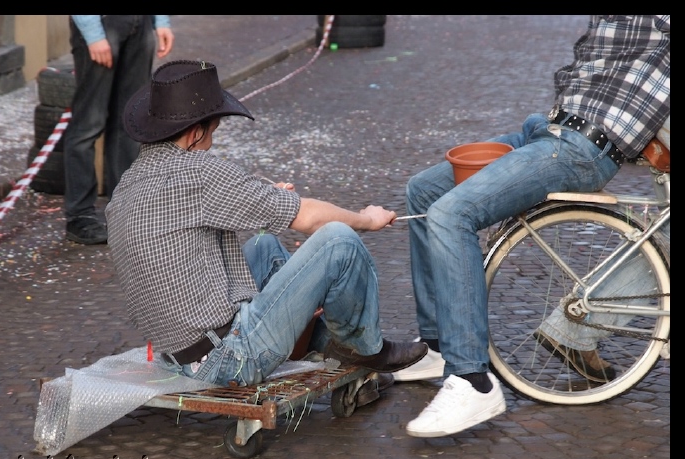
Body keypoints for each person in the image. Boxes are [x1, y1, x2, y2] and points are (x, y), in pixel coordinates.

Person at [394, 15, 669, 437]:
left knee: (452, 214)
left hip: (581, 149)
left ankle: (472, 380)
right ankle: (438, 344)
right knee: (425, 191)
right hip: (547, 127)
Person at [105, 60, 428, 389]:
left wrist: (265, 199)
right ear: (195, 131)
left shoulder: (127, 185)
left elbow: (190, 224)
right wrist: (367, 219)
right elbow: (309, 217)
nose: (211, 143)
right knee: (338, 240)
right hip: (227, 359)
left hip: (177, 353)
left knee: (266, 246)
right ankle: (365, 349)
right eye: (212, 132)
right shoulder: (198, 171)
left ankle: (322, 340)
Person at [64, 15, 175, 245]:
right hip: (102, 24)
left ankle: (124, 210)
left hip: (139, 24)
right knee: (88, 125)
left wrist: (161, 22)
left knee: (130, 123)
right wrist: (93, 34)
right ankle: (80, 215)